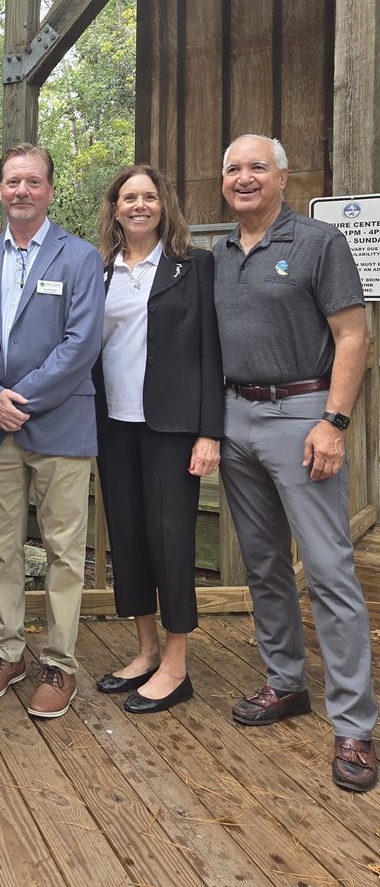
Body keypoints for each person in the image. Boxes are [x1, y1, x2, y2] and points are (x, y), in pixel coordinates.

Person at [215, 134, 376, 792]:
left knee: (330, 570)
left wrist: (334, 422)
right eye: (233, 168)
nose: (244, 177)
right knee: (263, 564)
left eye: (257, 166)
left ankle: (355, 723)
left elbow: (353, 334)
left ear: (283, 177)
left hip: (303, 415)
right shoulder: (219, 254)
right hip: (235, 415)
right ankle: (286, 682)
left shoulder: (317, 242)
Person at [0, 144, 103, 718]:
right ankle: (7, 652)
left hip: (60, 424)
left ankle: (60, 662)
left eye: (33, 181)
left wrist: (22, 400)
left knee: (65, 550)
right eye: (13, 181)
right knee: (1, 548)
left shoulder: (80, 258)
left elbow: (81, 343)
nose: (22, 190)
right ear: (1, 188)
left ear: (49, 190)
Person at [93, 165, 223, 713]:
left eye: (149, 196)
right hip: (113, 424)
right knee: (128, 538)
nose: (139, 205)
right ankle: (146, 651)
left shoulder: (194, 266)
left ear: (163, 204)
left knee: (171, 541)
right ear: (115, 208)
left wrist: (209, 432)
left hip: (171, 428)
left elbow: (211, 352)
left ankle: (176, 664)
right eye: (129, 197)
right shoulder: (100, 271)